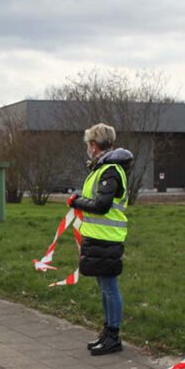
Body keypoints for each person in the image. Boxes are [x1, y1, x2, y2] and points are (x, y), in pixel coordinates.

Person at [67, 124, 133, 356]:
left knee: (110, 288)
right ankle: (107, 332)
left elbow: (102, 205)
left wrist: (76, 201)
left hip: (108, 238)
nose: (88, 149)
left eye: (88, 145)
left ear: (94, 146)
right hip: (96, 236)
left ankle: (113, 335)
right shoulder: (101, 169)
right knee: (104, 287)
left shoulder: (110, 170)